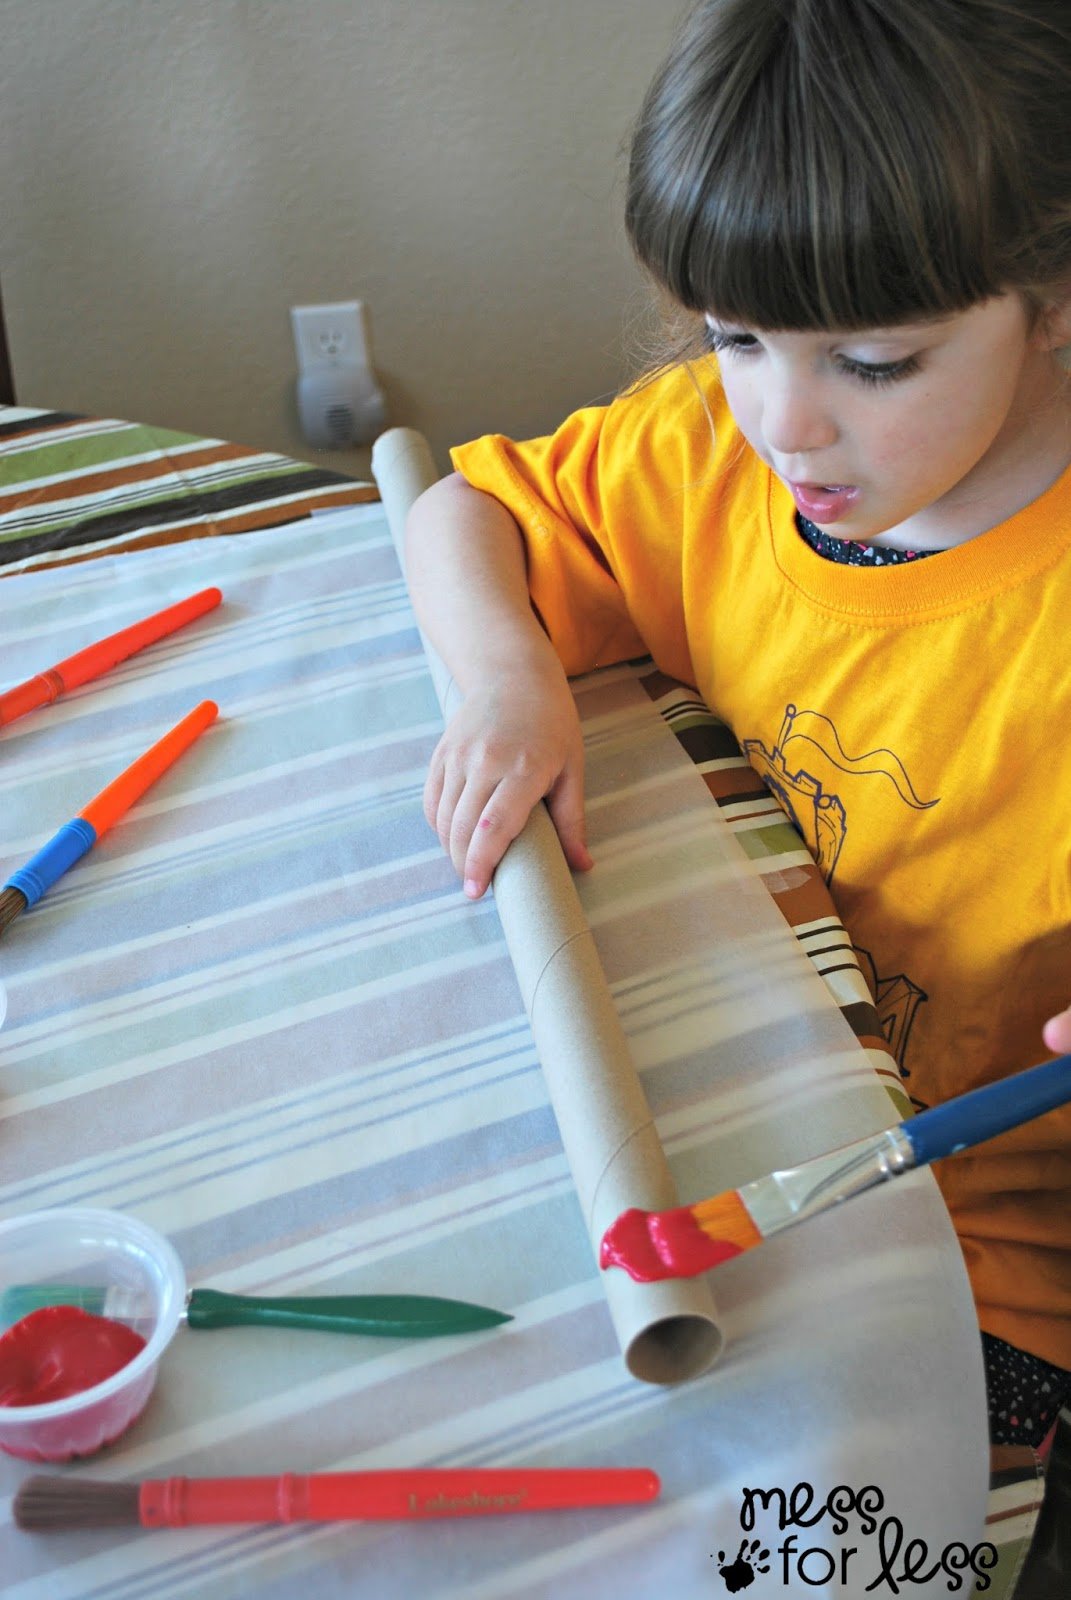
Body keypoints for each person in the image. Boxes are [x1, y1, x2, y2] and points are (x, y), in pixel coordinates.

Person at [404, 0, 1071, 1451]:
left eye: (874, 365)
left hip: (993, 1257)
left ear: (1056, 295)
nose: (785, 422)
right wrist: (512, 677)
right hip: (716, 1104)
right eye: (736, 337)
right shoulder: (712, 449)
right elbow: (467, 513)